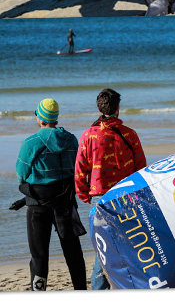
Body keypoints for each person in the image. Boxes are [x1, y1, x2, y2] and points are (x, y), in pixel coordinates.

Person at [75, 88, 147, 289]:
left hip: (100, 196)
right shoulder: (130, 134)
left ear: (99, 107)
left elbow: (80, 167)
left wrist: (82, 193)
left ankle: (99, 287)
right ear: (118, 108)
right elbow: (141, 167)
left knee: (104, 246)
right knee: (127, 244)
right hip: (126, 196)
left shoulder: (88, 135)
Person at [16, 98, 87, 291]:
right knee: (73, 253)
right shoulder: (71, 139)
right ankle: (82, 293)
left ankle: (39, 296)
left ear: (40, 118)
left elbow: (21, 175)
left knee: (39, 256)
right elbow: (76, 168)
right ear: (56, 118)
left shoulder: (30, 143)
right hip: (65, 202)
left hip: (38, 205)